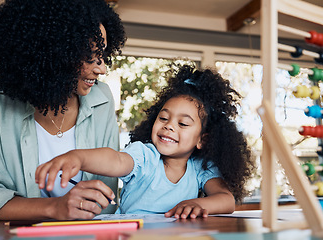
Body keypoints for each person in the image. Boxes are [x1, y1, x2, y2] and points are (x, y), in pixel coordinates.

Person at [0, 0, 126, 221]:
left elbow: (106, 198)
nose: (102, 69)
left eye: (103, 56)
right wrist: (54, 207)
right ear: (54, 54)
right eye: (90, 58)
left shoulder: (102, 98)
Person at [36, 64, 255, 219]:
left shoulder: (200, 169)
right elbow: (116, 160)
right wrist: (79, 157)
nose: (169, 126)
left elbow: (226, 199)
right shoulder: (145, 155)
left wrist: (199, 203)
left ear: (202, 140)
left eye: (183, 124)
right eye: (164, 118)